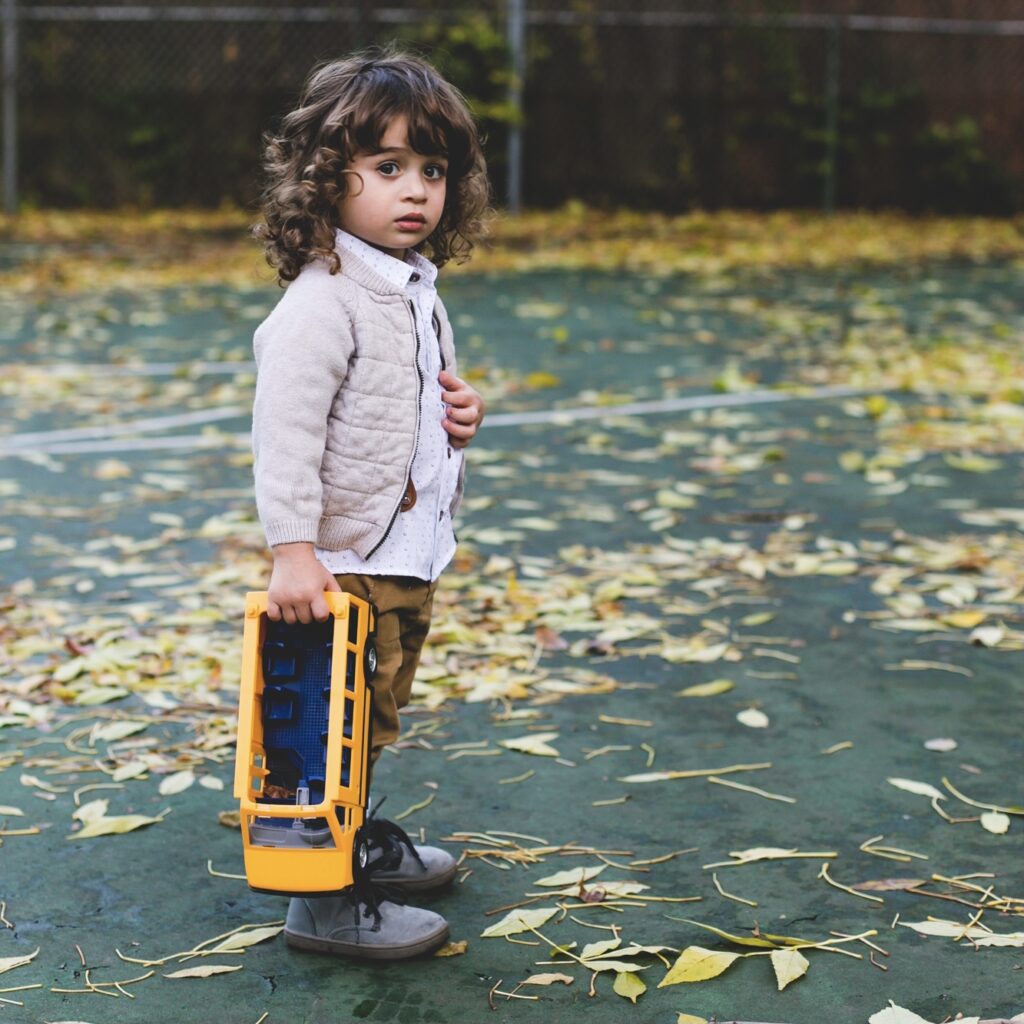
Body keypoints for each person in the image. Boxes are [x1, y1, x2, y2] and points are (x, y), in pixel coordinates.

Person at [250, 43, 491, 960]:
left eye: (433, 169)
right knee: (331, 729)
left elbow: (405, 403)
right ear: (326, 177)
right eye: (388, 167)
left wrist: (459, 410)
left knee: (374, 714)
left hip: (405, 556)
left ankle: (351, 844)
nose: (417, 190)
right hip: (341, 564)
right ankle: (321, 899)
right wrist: (293, 550)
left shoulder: (412, 288)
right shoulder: (325, 302)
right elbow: (288, 431)